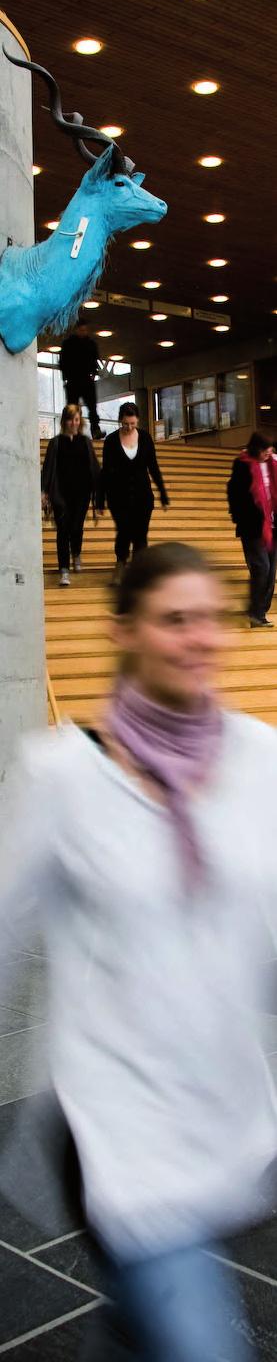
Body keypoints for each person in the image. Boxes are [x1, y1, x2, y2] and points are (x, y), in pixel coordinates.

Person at [2, 540, 277, 1359]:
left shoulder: (259, 760)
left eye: (211, 619)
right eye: (173, 619)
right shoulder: (61, 777)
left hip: (221, 1113)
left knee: (136, 1328)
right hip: (113, 1127)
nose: (197, 638)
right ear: (124, 630)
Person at [98, 401, 169, 580]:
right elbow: (105, 472)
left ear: (137, 420)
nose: (129, 427)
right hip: (118, 496)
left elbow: (153, 467)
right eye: (125, 424)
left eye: (132, 423)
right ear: (120, 421)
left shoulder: (145, 438)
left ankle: (139, 570)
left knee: (140, 534)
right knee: (123, 530)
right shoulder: (112, 441)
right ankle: (121, 562)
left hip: (142, 496)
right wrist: (100, 500)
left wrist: (163, 492)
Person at [41, 403, 100, 586]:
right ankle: (64, 570)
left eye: (76, 419)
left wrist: (99, 494)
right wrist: (44, 492)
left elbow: (94, 468)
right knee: (62, 531)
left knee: (76, 528)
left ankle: (76, 552)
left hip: (82, 494)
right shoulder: (56, 442)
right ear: (64, 421)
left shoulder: (85, 442)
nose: (73, 423)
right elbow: (48, 469)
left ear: (79, 420)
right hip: (60, 494)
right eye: (70, 419)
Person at [227, 431, 277, 627]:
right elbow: (234, 494)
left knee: (271, 571)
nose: (268, 455)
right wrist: (239, 518)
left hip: (273, 525)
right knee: (261, 568)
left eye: (270, 451)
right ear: (256, 450)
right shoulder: (242, 464)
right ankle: (256, 614)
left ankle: (258, 610)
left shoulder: (274, 463)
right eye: (265, 452)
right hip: (253, 527)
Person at [59, 321, 104, 439]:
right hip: (74, 379)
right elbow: (63, 362)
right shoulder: (69, 344)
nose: (83, 332)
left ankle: (95, 429)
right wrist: (66, 378)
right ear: (77, 329)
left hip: (85, 379)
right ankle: (71, 430)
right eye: (81, 330)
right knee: (72, 407)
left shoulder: (90, 343)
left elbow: (95, 360)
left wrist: (93, 374)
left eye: (85, 330)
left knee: (92, 406)